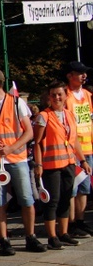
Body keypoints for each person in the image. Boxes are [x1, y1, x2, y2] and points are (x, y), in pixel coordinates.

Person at [0, 67, 47, 255]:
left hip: (17, 158)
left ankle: (31, 237)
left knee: (26, 199)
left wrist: (11, 148)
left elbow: (29, 132)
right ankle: (4, 240)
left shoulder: (16, 103)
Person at [34, 81, 91, 249]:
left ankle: (64, 233)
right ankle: (52, 236)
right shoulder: (43, 117)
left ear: (66, 96)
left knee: (66, 198)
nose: (57, 98)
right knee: (53, 200)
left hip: (69, 163)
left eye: (60, 94)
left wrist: (83, 161)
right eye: (53, 95)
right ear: (49, 97)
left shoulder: (69, 115)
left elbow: (74, 142)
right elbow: (37, 143)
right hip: (51, 165)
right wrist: (38, 164)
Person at [65, 61, 93, 237]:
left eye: (85, 73)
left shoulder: (88, 95)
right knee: (72, 188)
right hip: (73, 149)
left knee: (85, 188)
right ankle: (71, 223)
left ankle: (80, 221)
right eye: (79, 73)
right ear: (69, 75)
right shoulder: (65, 96)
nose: (84, 76)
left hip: (88, 147)